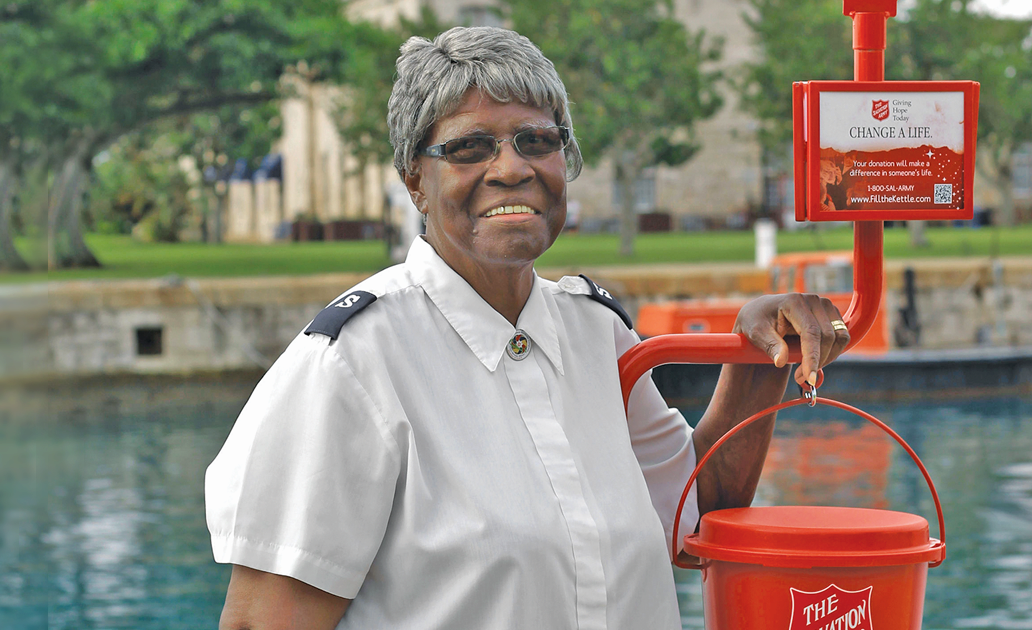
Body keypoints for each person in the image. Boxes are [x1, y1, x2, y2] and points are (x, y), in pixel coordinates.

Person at [206, 26, 850, 630]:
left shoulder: (600, 336)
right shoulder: (352, 363)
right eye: (469, 147)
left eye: (536, 141)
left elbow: (694, 519)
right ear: (415, 182)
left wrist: (758, 356)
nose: (511, 168)